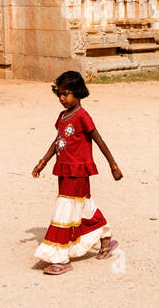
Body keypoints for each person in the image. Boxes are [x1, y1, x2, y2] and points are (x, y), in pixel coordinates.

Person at [31, 69, 121, 275]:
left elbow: (99, 140)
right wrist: (43, 161)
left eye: (66, 94)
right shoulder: (62, 117)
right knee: (83, 206)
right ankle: (105, 237)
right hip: (64, 169)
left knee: (64, 208)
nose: (62, 98)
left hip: (78, 170)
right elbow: (58, 141)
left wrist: (113, 166)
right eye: (60, 94)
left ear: (78, 92)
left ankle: (60, 257)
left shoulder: (83, 116)